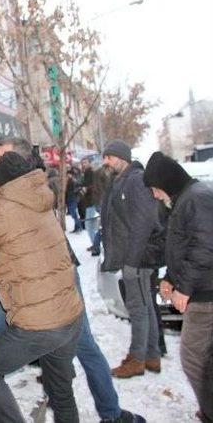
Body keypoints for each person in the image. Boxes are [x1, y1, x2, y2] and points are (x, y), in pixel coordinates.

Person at [0, 152, 84, 423]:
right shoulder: (38, 197)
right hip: (69, 314)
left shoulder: (3, 211)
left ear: (1, 184)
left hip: (39, 324)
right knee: (61, 391)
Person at [144, 151, 213, 423]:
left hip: (205, 294)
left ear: (166, 181)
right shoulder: (187, 198)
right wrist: (171, 277)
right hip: (201, 289)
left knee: (194, 358)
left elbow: (205, 248)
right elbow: (186, 245)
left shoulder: (195, 199)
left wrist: (183, 287)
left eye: (154, 188)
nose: (154, 195)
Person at [100, 140, 163, 378]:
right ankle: (152, 355)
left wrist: (132, 260)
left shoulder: (136, 179)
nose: (106, 161)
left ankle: (137, 359)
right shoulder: (123, 179)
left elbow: (143, 221)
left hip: (136, 257)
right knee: (145, 305)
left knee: (138, 307)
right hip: (133, 255)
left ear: (123, 157)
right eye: (105, 157)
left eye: (110, 157)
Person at [81, 157, 99, 244]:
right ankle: (95, 245)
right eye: (83, 163)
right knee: (92, 226)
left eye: (85, 162)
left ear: (89, 163)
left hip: (92, 202)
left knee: (89, 226)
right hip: (89, 202)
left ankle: (95, 246)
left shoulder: (91, 173)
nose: (84, 164)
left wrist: (85, 189)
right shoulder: (86, 173)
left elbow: (94, 186)